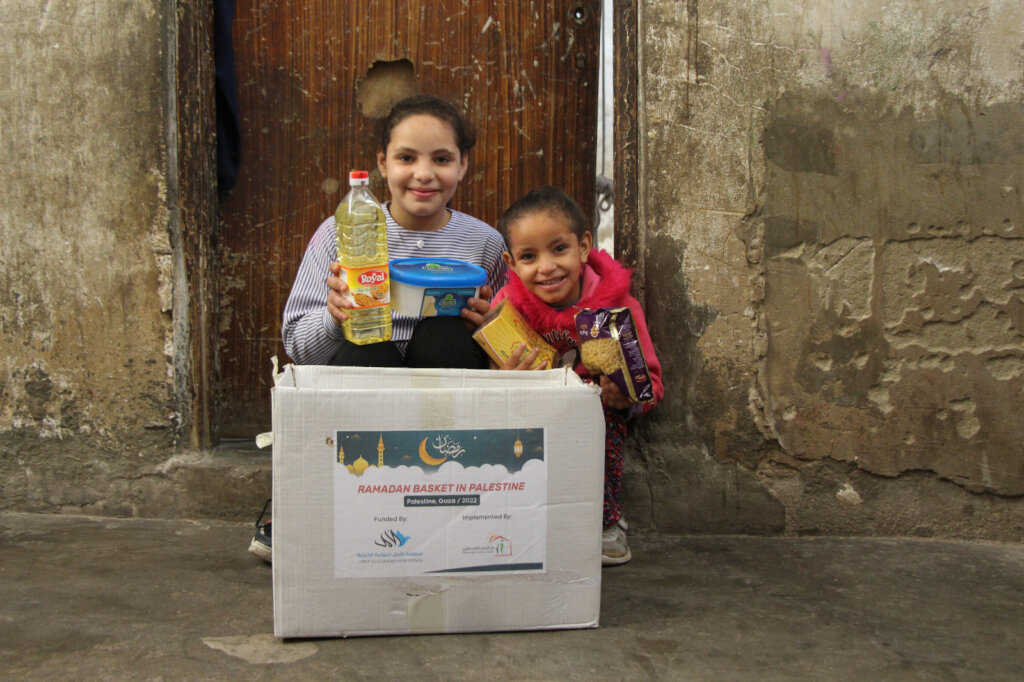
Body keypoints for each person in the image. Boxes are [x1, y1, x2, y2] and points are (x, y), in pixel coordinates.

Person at [249, 95, 507, 562]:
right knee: (373, 344)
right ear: (381, 164)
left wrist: (491, 327)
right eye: (406, 158)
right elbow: (298, 349)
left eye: (442, 159)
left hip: (445, 402)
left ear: (464, 166)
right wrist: (335, 315)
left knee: (442, 333)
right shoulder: (341, 233)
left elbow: (512, 341)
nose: (424, 174)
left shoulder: (485, 243)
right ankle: (309, 503)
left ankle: (447, 500)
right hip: (365, 389)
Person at [490, 185, 663, 566]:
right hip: (531, 414)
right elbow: (489, 378)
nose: (547, 267)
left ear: (584, 246)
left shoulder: (618, 308)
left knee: (600, 414)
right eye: (529, 256)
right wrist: (504, 376)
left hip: (594, 422)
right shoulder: (506, 308)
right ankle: (518, 515)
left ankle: (605, 521)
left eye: (559, 249)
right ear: (511, 263)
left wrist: (628, 397)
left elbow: (650, 381)